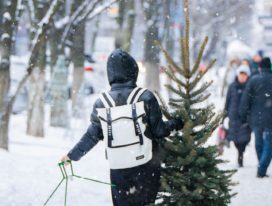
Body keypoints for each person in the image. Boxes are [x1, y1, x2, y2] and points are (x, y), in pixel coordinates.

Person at [60, 49, 184, 206]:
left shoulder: (102, 103)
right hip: (146, 167)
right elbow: (160, 131)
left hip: (119, 169)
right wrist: (179, 123)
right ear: (133, 71)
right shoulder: (145, 97)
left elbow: (91, 136)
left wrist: (72, 156)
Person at [239, 57, 272, 177]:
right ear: (270, 67)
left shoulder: (253, 80)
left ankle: (261, 165)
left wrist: (243, 114)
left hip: (256, 118)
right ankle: (262, 167)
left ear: (260, 67)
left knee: (258, 143)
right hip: (271, 118)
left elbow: (246, 99)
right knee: (269, 145)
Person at [224, 65, 252, 167]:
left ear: (247, 76)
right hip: (233, 116)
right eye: (241, 74)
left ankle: (241, 154)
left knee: (244, 139)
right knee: (235, 140)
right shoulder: (232, 86)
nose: (242, 77)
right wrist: (224, 114)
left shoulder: (250, 86)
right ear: (238, 75)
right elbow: (227, 101)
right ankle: (240, 153)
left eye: (244, 75)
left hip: (245, 118)